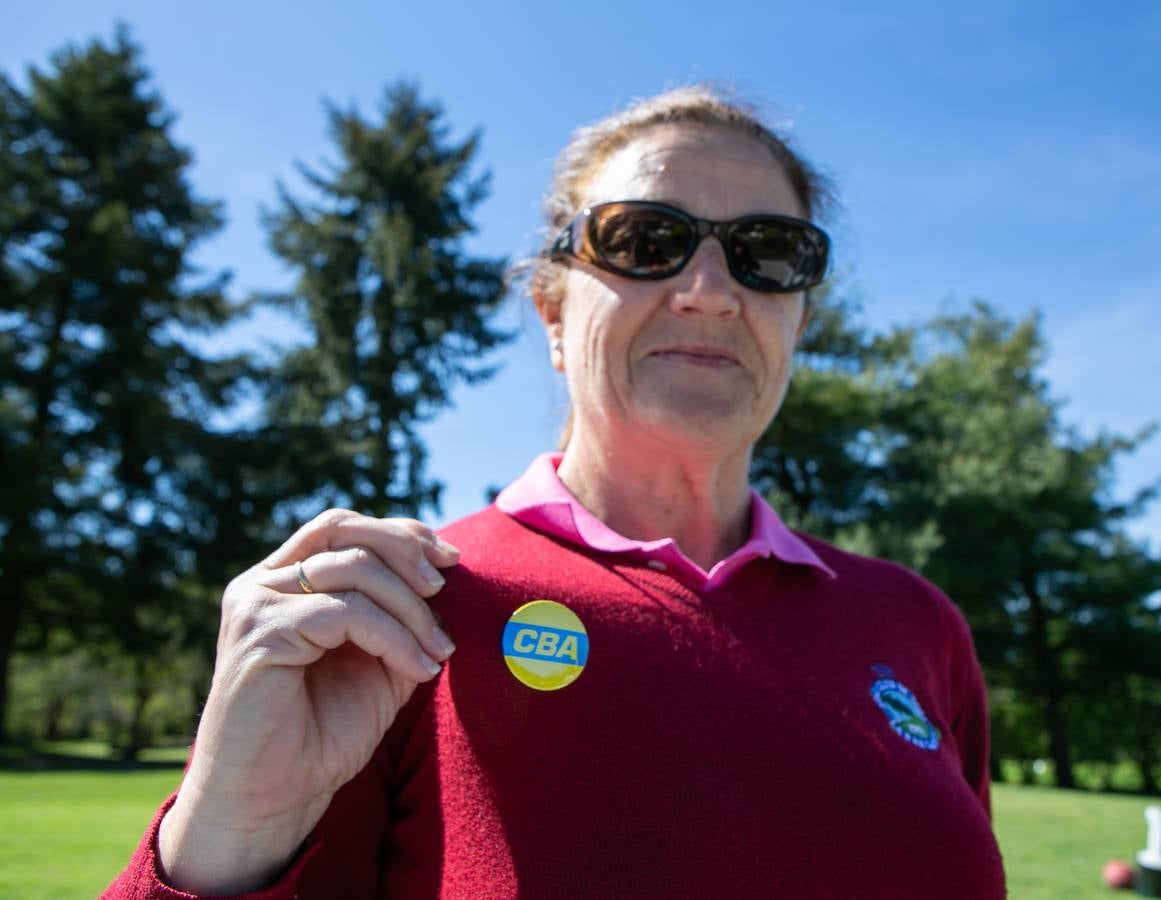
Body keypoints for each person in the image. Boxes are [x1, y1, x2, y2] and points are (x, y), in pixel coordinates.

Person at [105, 85, 1006, 898]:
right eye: (645, 242)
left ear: (798, 315)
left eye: (767, 254)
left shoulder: (918, 625)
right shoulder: (397, 609)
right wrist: (228, 837)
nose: (709, 290)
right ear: (551, 309)